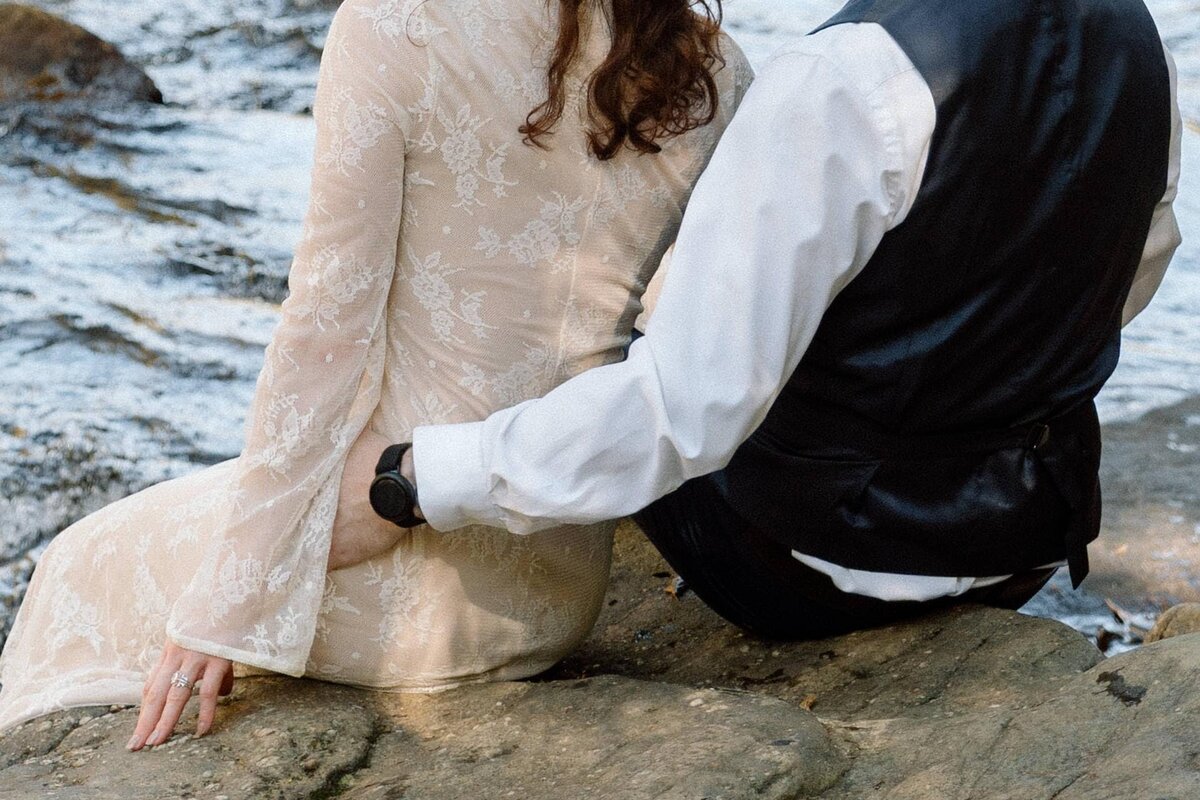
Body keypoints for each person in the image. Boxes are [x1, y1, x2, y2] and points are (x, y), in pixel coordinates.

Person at [0, 0, 752, 746]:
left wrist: (235, 600)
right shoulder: (715, 70)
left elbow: (325, 328)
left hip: (396, 564)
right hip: (558, 578)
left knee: (74, 566)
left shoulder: (399, 23)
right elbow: (692, 354)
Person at [391, 0, 1183, 640]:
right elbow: (1130, 275)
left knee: (615, 330)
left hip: (817, 568)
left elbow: (687, 410)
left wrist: (420, 479)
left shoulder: (837, 77)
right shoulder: (1140, 35)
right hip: (1026, 544)